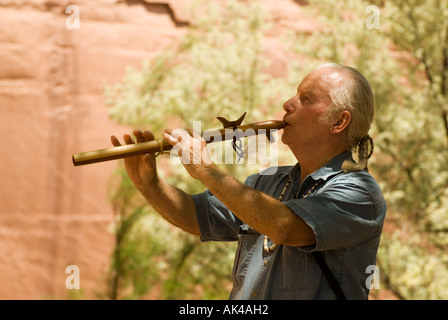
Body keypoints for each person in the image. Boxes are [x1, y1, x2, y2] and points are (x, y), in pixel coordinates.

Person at [110, 63, 387, 300]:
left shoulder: (358, 193)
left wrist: (206, 169)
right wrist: (149, 183)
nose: (287, 104)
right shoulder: (268, 183)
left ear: (339, 121)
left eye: (305, 99)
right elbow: (195, 217)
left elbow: (284, 227)